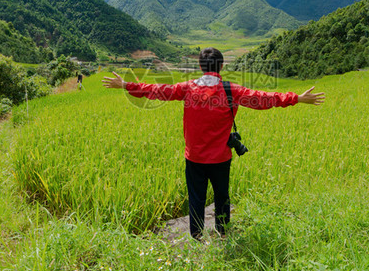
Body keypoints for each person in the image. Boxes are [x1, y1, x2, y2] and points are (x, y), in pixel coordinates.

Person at [102, 47, 325, 240]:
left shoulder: (187, 88)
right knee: (222, 196)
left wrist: (125, 84)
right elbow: (264, 98)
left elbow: (156, 91)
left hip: (194, 157)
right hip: (221, 158)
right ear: (219, 66)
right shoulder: (231, 90)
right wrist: (296, 97)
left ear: (201, 66)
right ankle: (223, 232)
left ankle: (197, 237)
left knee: (196, 198)